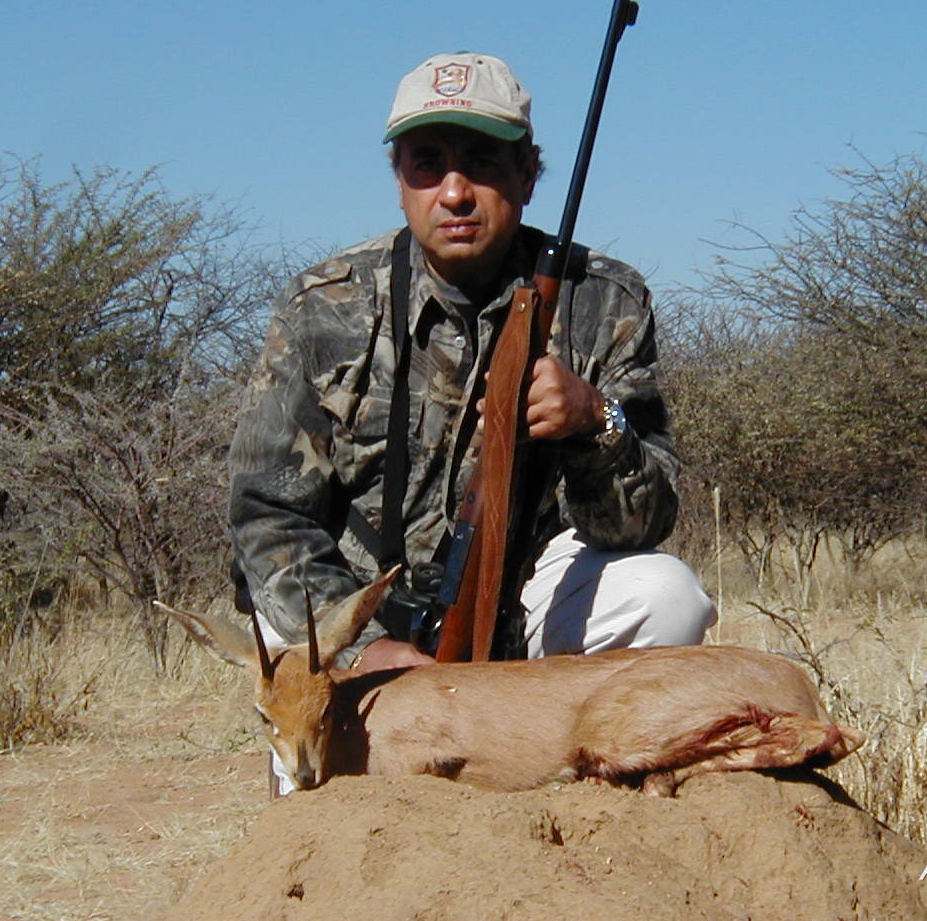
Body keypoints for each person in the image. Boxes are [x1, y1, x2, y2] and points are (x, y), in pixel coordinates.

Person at [228, 51, 713, 682]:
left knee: (664, 596)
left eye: (481, 162)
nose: (455, 193)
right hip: (350, 601)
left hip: (524, 590)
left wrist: (596, 420)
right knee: (284, 635)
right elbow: (266, 516)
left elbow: (640, 526)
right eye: (428, 164)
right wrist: (362, 646)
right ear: (399, 179)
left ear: (529, 174)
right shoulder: (323, 306)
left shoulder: (604, 298)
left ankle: (581, 767)